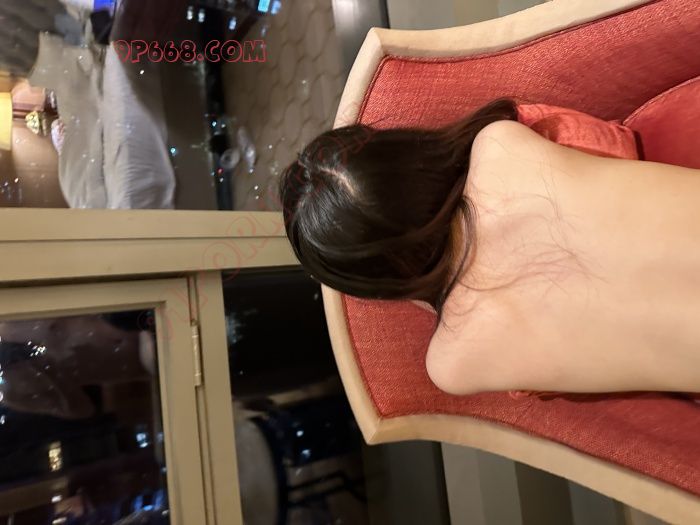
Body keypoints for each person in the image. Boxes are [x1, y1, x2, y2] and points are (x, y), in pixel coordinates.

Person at [278, 98, 700, 397]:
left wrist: (420, 285)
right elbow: (618, 146)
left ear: (375, 286)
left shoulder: (454, 364)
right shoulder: (500, 144)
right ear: (406, 155)